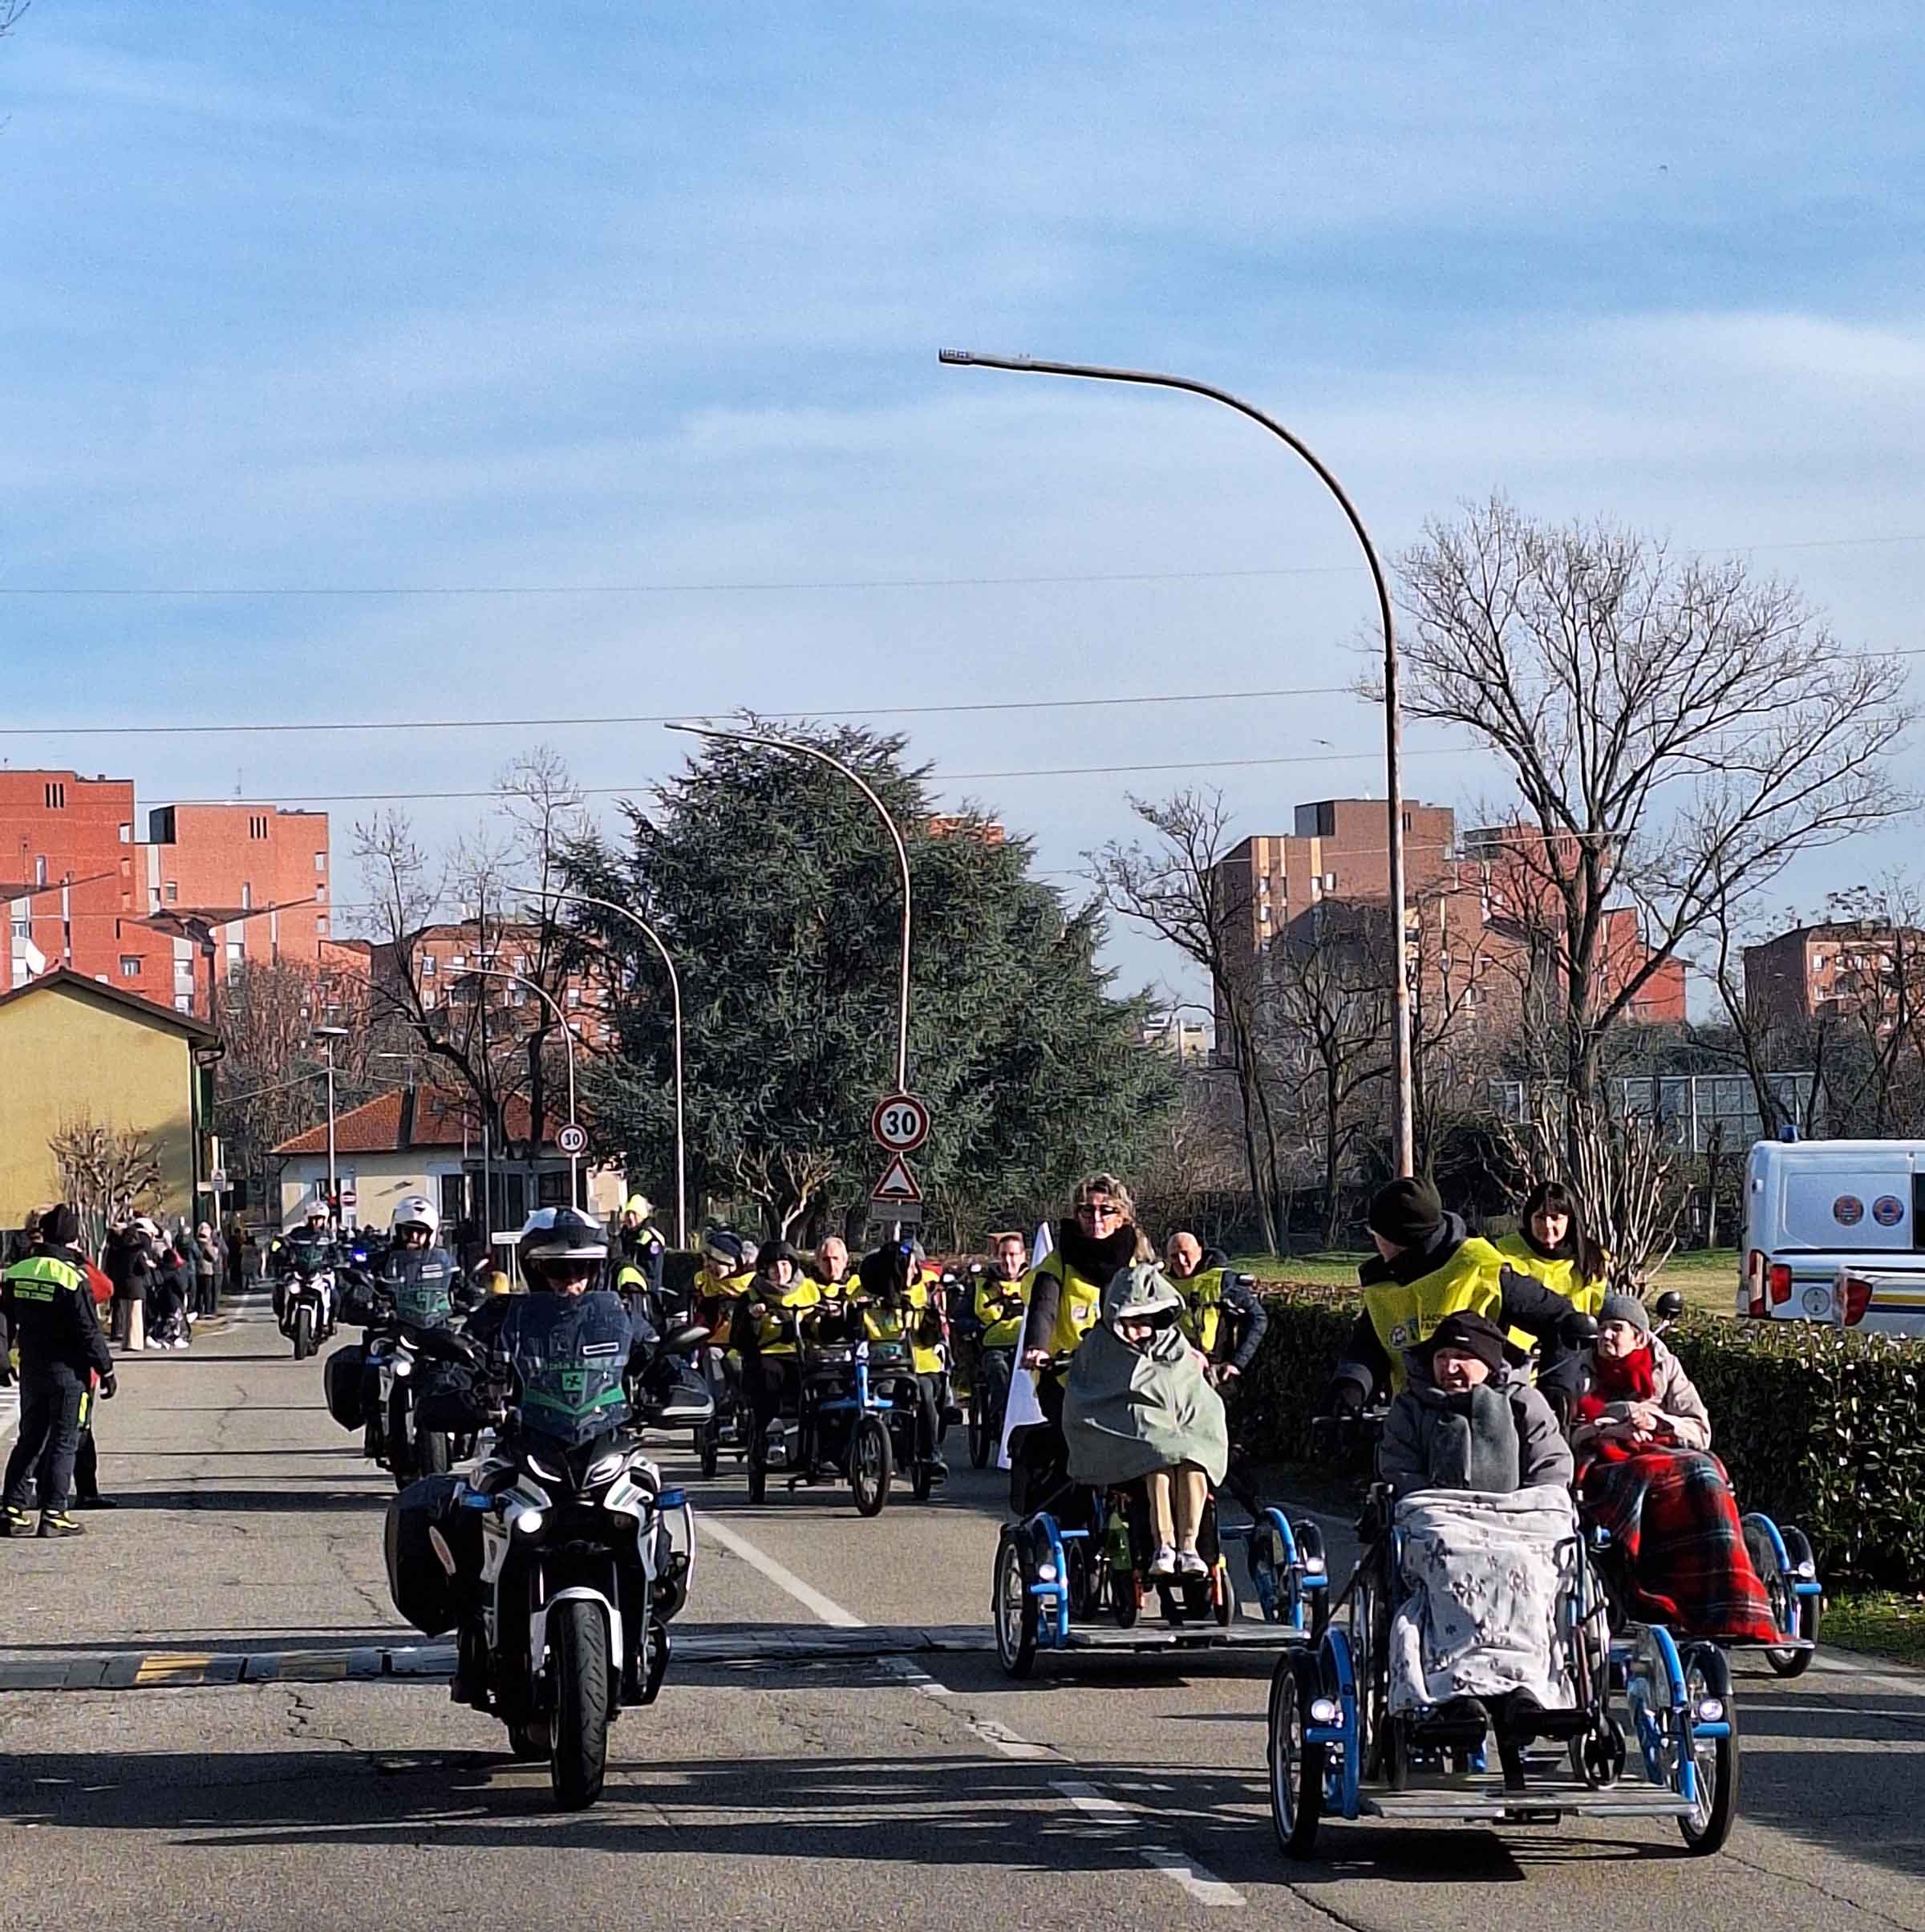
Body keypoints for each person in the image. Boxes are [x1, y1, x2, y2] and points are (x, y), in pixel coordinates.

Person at [1573, 1294, 1777, 1643]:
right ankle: (1649, 1590)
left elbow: (1700, 1429)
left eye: (1616, 1329)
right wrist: (1608, 1428)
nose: (1606, 1336)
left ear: (1639, 1336)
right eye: (1603, 1328)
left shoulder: (1665, 1365)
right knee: (1647, 1479)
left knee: (1706, 1472)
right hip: (1606, 1459)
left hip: (1665, 1450)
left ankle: (1723, 1598)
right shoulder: (1578, 1370)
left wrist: (1660, 1420)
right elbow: (1561, 1431)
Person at [1329, 1178, 1592, 1416]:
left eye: (1376, 1235)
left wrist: (1557, 1390)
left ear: (1398, 1240)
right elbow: (1368, 1345)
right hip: (1412, 1427)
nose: (1375, 1243)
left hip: (1489, 1423)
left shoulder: (1481, 1268)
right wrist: (1351, 1386)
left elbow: (1562, 1318)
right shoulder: (1382, 1284)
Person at [1064, 1263, 1229, 1579]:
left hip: (1183, 1427)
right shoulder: (1099, 1349)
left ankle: (1189, 1548)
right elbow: (1087, 1398)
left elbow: (1193, 1391)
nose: (1138, 1329)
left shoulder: (1174, 1344)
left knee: (1194, 1458)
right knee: (1158, 1456)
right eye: (1130, 1321)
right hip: (1129, 1437)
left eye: (1145, 1321)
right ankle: (1164, 1546)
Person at [1, 1205, 117, 1538]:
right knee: (66, 1439)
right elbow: (87, 1329)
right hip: (70, 1371)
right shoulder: (71, 1276)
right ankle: (54, 1512)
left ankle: (11, 1510)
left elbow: (3, 1319)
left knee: (30, 1438)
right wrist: (105, 1369)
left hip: (33, 1369)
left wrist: (1, 1359)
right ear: (72, 1237)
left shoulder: (18, 1271)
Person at [1379, 1310, 1574, 1500]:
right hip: (1433, 1518)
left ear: (1489, 1365)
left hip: (1516, 1519)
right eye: (1441, 1356)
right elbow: (1399, 1468)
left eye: (1462, 1357)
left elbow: (1550, 1467)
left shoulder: (1524, 1402)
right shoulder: (1411, 1406)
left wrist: (1526, 1511)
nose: (1449, 1367)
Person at [1020, 1173, 1153, 1371]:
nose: (1096, 1219)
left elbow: (1158, 1315)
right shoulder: (1058, 1261)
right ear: (1077, 1216)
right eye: (1087, 1210)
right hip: (1067, 1374)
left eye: (1106, 1211)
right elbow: (1044, 1304)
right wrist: (1037, 1346)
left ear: (1119, 1219)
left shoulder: (1135, 1266)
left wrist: (1183, 1351)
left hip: (1119, 1373)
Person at [845, 1240, 950, 1481]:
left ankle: (930, 1455)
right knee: (877, 1396)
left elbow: (928, 1338)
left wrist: (931, 1319)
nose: (916, 1272)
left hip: (916, 1365)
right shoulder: (864, 1294)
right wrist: (855, 1315)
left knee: (924, 1394)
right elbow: (851, 1332)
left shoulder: (919, 1290)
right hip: (877, 1367)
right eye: (911, 1267)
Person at [735, 1239, 822, 1442]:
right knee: (769, 1377)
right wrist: (752, 1318)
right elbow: (739, 1339)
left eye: (785, 1265)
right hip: (768, 1355)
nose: (780, 1271)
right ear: (764, 1269)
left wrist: (830, 1317)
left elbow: (823, 1331)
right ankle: (769, 1436)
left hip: (805, 1354)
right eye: (773, 1266)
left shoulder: (809, 1288)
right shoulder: (752, 1294)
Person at [1163, 1232, 1270, 1385]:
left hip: (1216, 1372)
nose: (1181, 1261)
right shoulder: (1162, 1284)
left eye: (1186, 1253)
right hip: (1174, 1369)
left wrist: (1237, 1363)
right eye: (1174, 1256)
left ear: (1199, 1251)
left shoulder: (1224, 1281)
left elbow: (1257, 1318)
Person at [1494, 1180, 1610, 1318]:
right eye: (1540, 1218)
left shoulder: (1593, 1259)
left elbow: (1603, 1313)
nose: (1547, 1225)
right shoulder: (1503, 1251)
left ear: (1570, 1220)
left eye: (1555, 1218)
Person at [190, 1221, 221, 1318]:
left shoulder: (195, 1243)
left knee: (199, 1292)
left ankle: (199, 1310)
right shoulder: (207, 1244)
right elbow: (214, 1257)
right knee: (207, 1291)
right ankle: (207, 1310)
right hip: (207, 1270)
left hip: (198, 1270)